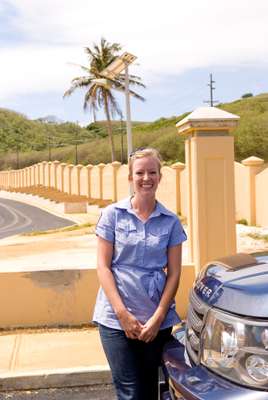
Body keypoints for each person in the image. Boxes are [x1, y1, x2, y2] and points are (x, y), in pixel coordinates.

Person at [93, 148, 187, 400]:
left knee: (150, 389)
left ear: (160, 176)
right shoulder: (112, 215)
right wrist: (122, 314)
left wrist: (158, 318)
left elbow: (174, 273)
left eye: (152, 172)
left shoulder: (171, 221)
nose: (146, 178)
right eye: (140, 172)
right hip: (115, 320)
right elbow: (103, 266)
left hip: (156, 322)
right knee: (130, 392)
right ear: (130, 177)